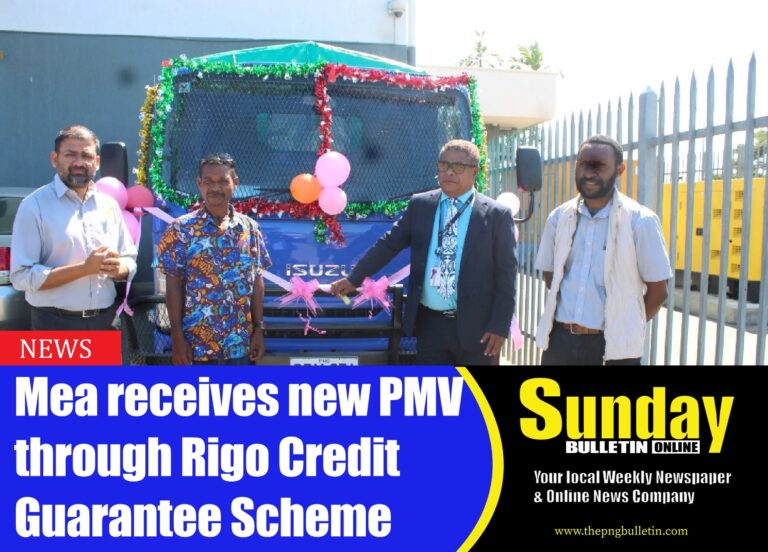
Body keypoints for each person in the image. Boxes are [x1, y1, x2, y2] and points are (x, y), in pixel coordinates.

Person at [330, 139, 517, 365]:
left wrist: (499, 326)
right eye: (444, 165)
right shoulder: (421, 205)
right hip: (431, 326)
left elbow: (506, 276)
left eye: (458, 166)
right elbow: (389, 244)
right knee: (431, 387)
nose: (449, 172)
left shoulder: (497, 215)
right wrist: (354, 279)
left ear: (474, 171)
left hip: (477, 328)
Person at [534, 135, 673, 365]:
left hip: (613, 348)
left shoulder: (640, 221)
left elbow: (659, 291)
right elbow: (552, 277)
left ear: (620, 170)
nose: (589, 173)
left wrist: (624, 328)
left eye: (599, 166)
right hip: (560, 343)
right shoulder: (559, 218)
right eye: (583, 164)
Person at [10, 125, 137, 330]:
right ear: (55, 159)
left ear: (97, 162)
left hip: (106, 321)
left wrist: (118, 268)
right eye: (70, 155)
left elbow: (129, 259)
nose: (79, 162)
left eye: (86, 156)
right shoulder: (34, 206)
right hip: (55, 323)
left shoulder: (109, 205)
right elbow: (22, 276)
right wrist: (84, 269)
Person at [156, 153, 272, 365]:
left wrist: (258, 329)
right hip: (197, 347)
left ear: (235, 183)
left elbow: (257, 282)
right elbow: (173, 286)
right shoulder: (180, 230)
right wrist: (177, 338)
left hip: (239, 346)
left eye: (223, 181)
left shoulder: (250, 229)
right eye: (208, 182)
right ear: (199, 184)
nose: (215, 188)